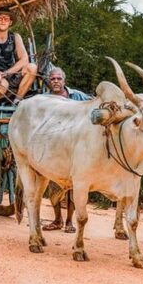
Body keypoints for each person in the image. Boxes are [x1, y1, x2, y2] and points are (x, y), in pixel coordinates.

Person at [41, 66, 91, 233]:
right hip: (54, 147)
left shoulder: (77, 96)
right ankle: (57, 220)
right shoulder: (43, 99)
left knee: (73, 187)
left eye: (59, 79)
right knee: (54, 185)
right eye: (53, 79)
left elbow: (92, 103)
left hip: (75, 147)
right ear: (49, 81)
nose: (56, 81)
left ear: (64, 81)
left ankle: (69, 221)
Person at [0, 9, 38, 103]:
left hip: (11, 75)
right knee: (3, 85)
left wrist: (7, 73)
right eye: (0, 18)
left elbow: (24, 59)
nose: (3, 21)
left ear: (10, 22)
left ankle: (17, 101)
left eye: (6, 19)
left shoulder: (15, 37)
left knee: (32, 67)